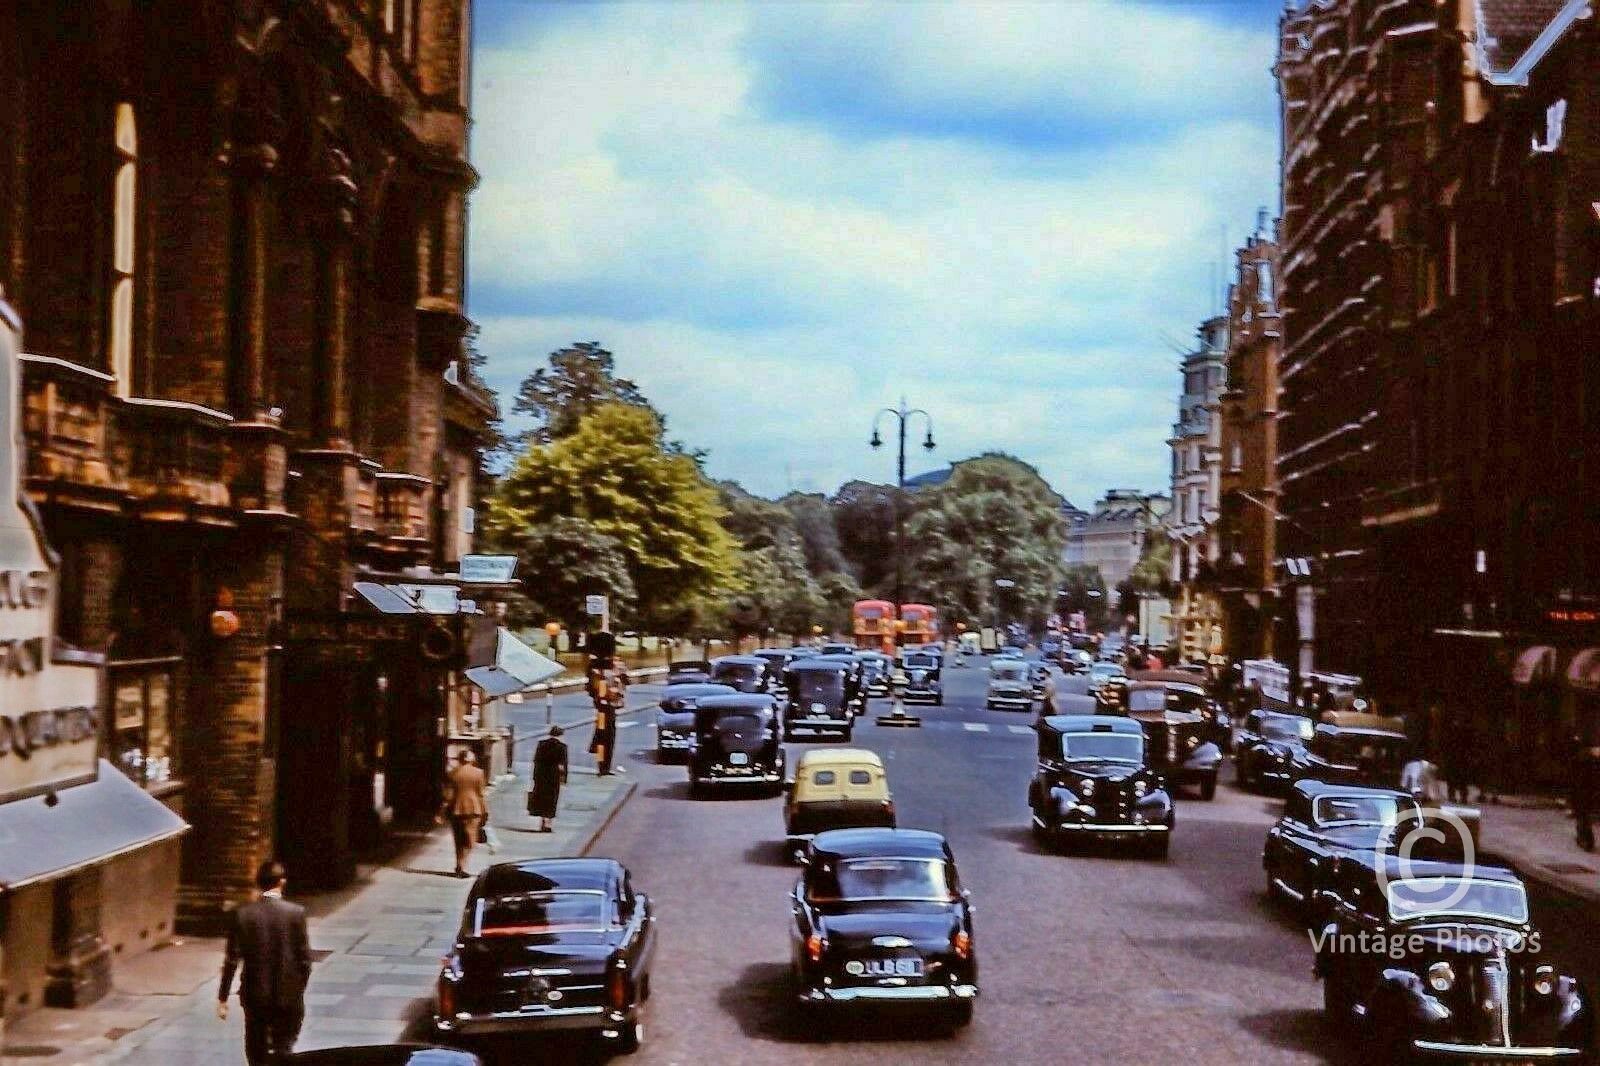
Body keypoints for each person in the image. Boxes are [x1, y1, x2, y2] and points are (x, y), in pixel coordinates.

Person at [217, 860, 312, 1066]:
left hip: (255, 994)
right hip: (288, 996)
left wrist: (223, 997)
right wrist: (297, 988)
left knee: (255, 1047)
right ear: (281, 882)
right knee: (284, 1048)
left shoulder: (242, 914)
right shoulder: (296, 913)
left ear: (258, 883)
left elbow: (231, 959)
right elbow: (304, 960)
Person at [438, 749, 488, 877]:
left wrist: (441, 812)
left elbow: (448, 795)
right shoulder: (479, 773)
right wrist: (485, 811)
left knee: (458, 839)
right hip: (473, 809)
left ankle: (459, 864)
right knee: (470, 839)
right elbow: (481, 794)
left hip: (456, 809)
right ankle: (463, 865)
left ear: (460, 759)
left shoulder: (453, 773)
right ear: (472, 760)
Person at [529, 725, 569, 832]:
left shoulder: (541, 744)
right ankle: (549, 823)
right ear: (560, 735)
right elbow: (563, 764)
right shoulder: (562, 747)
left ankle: (542, 820)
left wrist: (534, 776)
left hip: (541, 775)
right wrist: (564, 778)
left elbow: (536, 761)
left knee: (542, 798)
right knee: (552, 800)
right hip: (553, 776)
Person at [1573, 743, 1600, 853]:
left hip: (1585, 791)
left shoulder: (1583, 761)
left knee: (1583, 815)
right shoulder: (1590, 762)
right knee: (1583, 815)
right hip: (1588, 791)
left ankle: (1585, 840)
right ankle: (1586, 840)